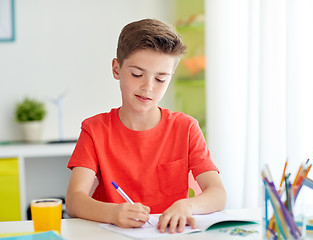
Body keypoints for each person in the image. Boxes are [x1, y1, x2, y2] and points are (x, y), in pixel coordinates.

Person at [65, 18, 226, 234]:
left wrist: (186, 205)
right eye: (137, 74)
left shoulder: (186, 128)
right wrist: (113, 213)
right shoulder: (94, 130)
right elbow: (74, 201)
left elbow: (218, 193)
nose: (148, 87)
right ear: (116, 69)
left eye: (160, 79)